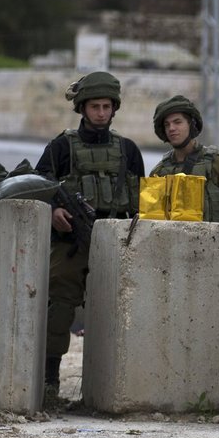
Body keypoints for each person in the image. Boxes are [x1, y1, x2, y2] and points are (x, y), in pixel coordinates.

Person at [34, 71, 145, 398]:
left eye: (106, 106)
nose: (101, 113)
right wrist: (54, 211)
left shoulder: (128, 150)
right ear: (82, 108)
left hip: (114, 239)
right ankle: (49, 380)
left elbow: (141, 198)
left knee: (117, 312)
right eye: (94, 106)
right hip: (70, 243)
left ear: (114, 108)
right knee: (58, 308)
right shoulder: (61, 146)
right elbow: (38, 185)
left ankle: (112, 388)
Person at [149, 95, 219, 223]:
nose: (171, 128)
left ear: (191, 124)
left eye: (177, 122)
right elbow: (152, 220)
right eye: (167, 125)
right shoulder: (159, 172)